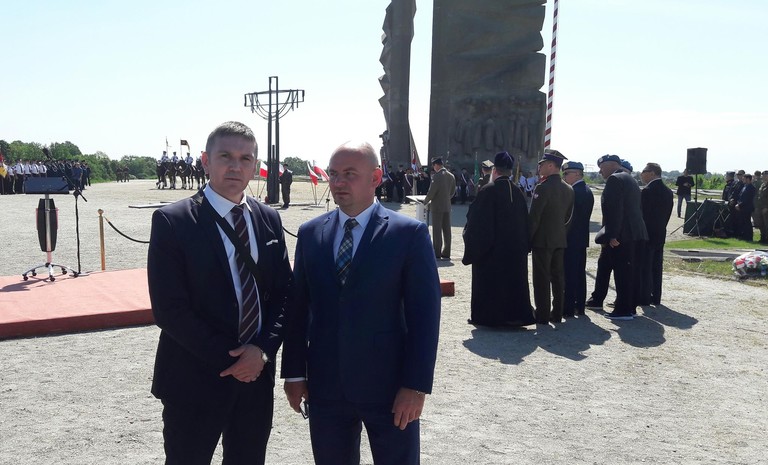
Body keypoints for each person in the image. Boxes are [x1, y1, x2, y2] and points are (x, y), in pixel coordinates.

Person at [281, 141, 441, 465]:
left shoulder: (408, 234)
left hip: (390, 388)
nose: (339, 182)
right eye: (334, 174)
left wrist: (416, 385)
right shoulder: (310, 233)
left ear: (375, 178)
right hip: (326, 387)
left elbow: (424, 317)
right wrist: (294, 373)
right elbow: (297, 310)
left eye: (350, 174)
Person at [147, 121, 293, 465]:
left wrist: (262, 350)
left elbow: (286, 294)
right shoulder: (173, 221)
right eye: (225, 156)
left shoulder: (269, 219)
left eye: (245, 159)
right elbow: (169, 309)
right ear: (205, 160)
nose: (235, 166)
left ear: (255, 167)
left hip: (256, 377)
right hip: (194, 377)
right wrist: (234, 360)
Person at [462, 151, 535, 326]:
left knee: (491, 284)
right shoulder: (518, 192)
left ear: (495, 170)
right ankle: (515, 316)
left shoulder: (487, 191)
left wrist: (470, 240)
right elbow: (526, 223)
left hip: (492, 252)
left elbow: (476, 224)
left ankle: (489, 317)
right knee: (513, 284)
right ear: (510, 171)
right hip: (515, 252)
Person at [589, 154, 648, 320]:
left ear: (612, 165)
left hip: (623, 234)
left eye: (602, 167)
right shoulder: (630, 179)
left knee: (622, 273)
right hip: (635, 232)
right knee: (630, 272)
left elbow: (614, 210)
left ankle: (623, 310)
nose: (600, 171)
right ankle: (630, 307)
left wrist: (613, 235)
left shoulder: (614, 180)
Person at [528, 149, 574, 324]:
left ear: (550, 165)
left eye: (541, 164)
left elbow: (534, 218)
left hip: (542, 241)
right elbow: (568, 218)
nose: (539, 167)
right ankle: (557, 313)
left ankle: (542, 315)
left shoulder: (543, 187)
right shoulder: (568, 188)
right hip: (560, 240)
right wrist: (561, 234)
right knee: (558, 278)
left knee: (541, 279)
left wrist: (528, 240)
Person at [561, 161, 594, 317]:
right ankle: (579, 306)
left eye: (566, 174)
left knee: (570, 274)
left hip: (571, 239)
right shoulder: (586, 190)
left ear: (577, 174)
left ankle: (568, 307)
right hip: (581, 239)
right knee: (579, 274)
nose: (564, 177)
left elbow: (568, 218)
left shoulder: (574, 192)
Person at [638, 163, 673, 306]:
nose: (641, 174)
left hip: (647, 234)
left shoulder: (647, 191)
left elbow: (642, 215)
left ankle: (644, 297)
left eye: (644, 171)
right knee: (657, 267)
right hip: (660, 232)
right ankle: (656, 296)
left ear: (652, 173)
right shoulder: (668, 191)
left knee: (645, 267)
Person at [423, 157, 456, 260]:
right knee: (447, 230)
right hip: (447, 206)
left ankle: (436, 252)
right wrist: (446, 198)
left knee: (437, 230)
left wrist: (425, 202)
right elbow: (452, 192)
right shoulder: (451, 176)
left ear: (436, 165)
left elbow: (431, 192)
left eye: (434, 166)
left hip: (437, 207)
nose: (434, 168)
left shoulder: (437, 176)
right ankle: (446, 252)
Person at [735, 173, 756, 241]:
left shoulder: (751, 188)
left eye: (744, 178)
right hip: (742, 207)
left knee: (747, 222)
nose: (743, 180)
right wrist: (738, 203)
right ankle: (743, 235)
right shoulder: (744, 186)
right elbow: (740, 196)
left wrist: (740, 205)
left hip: (747, 207)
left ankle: (748, 237)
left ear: (748, 179)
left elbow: (747, 199)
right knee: (742, 222)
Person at [757, 170, 768, 244]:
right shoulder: (763, 184)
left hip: (766, 208)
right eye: (763, 175)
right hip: (760, 207)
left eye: (765, 175)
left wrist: (766, 207)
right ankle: (763, 237)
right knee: (761, 224)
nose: (763, 176)